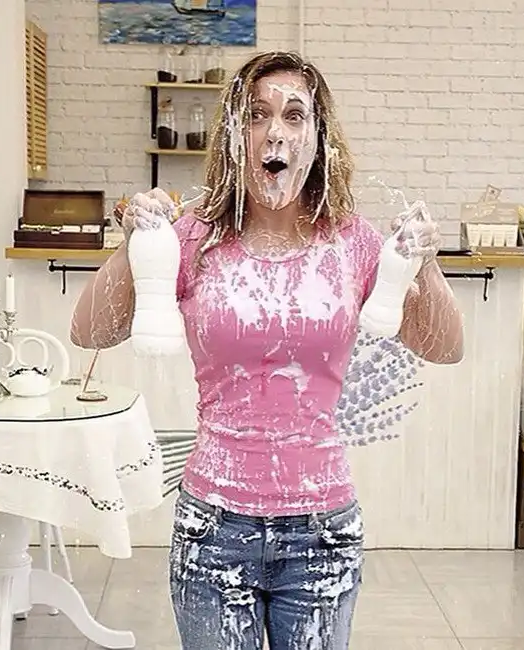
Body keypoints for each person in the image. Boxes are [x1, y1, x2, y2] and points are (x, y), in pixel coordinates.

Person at [70, 51, 463, 650]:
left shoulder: (354, 243)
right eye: (256, 115)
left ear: (319, 139)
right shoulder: (193, 237)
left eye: (294, 115)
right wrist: (132, 244)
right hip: (212, 530)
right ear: (234, 134)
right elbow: (90, 333)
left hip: (322, 533)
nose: (275, 132)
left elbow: (445, 348)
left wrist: (425, 263)